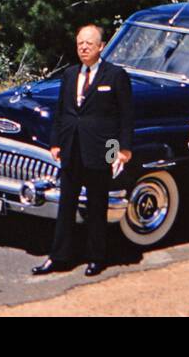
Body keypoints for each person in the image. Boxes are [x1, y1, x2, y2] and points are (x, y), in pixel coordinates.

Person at [31, 24, 133, 277]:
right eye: (79, 43)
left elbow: (125, 117)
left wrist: (121, 151)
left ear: (101, 46)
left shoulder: (115, 75)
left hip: (100, 150)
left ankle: (96, 257)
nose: (84, 47)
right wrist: (56, 143)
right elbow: (62, 112)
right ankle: (59, 256)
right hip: (71, 149)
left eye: (89, 43)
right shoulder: (70, 74)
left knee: (97, 206)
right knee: (66, 205)